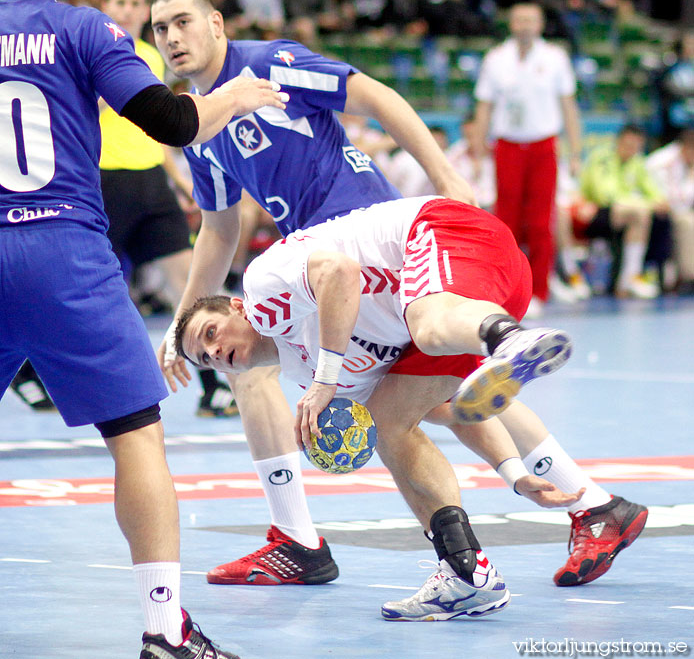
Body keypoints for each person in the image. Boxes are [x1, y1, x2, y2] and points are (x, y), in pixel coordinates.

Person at [0, 0, 287, 655]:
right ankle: (165, 631)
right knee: (136, 436)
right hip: (62, 245)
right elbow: (175, 121)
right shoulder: (81, 27)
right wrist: (239, 95)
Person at [149, 0, 477, 587]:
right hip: (314, 257)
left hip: (360, 238)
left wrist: (443, 172)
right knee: (432, 394)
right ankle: (584, 499)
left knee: (431, 391)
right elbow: (219, 229)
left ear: (216, 23)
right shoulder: (197, 125)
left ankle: (298, 540)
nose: (171, 37)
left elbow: (373, 96)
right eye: (159, 28)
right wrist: (181, 321)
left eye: (181, 21)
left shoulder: (269, 63)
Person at [176, 195, 648, 605]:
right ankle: (466, 573)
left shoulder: (262, 292)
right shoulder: (302, 372)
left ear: (235, 308)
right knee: (390, 421)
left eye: (211, 333)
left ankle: (508, 340)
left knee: (427, 324)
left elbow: (339, 271)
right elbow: (449, 408)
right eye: (206, 357)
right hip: (488, 285)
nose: (215, 351)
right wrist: (514, 474)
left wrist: (326, 379)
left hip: (445, 234)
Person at [99, 0, 237, 418]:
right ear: (107, 6)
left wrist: (180, 182)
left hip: (151, 185)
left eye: (134, 3)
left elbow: (155, 127)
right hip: (105, 182)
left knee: (191, 281)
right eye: (118, 2)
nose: (125, 9)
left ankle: (215, 384)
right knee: (96, 292)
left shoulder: (151, 58)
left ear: (145, 12)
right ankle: (32, 376)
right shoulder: (96, 51)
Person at [472, 2, 583, 318]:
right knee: (506, 220)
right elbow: (484, 106)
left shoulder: (555, 58)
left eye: (530, 20)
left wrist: (575, 150)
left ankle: (539, 290)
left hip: (543, 145)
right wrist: (479, 149)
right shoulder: (496, 59)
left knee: (539, 221)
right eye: (519, 20)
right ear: (511, 24)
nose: (524, 25)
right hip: (507, 146)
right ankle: (506, 289)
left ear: (540, 24)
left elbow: (568, 105)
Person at [577, 124, 671, 298]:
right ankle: (630, 278)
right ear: (619, 142)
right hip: (597, 213)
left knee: (655, 217)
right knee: (639, 212)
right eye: (628, 145)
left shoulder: (638, 163)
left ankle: (631, 278)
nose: (631, 150)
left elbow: (655, 194)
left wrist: (655, 203)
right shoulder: (602, 158)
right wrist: (643, 203)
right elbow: (606, 196)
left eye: (636, 147)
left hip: (629, 213)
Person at [646, 129, 694, 295]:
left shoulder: (687, 162)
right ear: (686, 148)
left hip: (677, 208)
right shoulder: (664, 161)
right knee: (688, 222)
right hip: (657, 208)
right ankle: (689, 277)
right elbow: (675, 199)